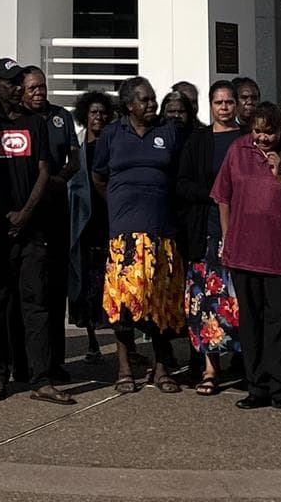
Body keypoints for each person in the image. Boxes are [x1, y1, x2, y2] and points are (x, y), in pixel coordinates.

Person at [0, 59, 74, 405]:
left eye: (21, 82)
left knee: (36, 303)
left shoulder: (36, 122)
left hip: (33, 230)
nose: (18, 88)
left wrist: (25, 214)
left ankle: (41, 378)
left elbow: (44, 170)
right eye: (11, 82)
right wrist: (6, 214)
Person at [214, 102, 281, 414]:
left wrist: (280, 175)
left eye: (268, 132)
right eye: (257, 131)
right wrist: (227, 237)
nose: (262, 138)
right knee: (252, 324)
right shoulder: (238, 150)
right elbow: (223, 197)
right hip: (243, 252)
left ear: (280, 130)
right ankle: (257, 386)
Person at [92, 76, 185, 395]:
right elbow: (98, 176)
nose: (151, 104)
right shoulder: (112, 133)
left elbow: (178, 174)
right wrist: (120, 204)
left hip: (162, 230)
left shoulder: (167, 131)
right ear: (129, 104)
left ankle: (161, 368)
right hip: (124, 235)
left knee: (160, 301)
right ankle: (124, 368)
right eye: (144, 100)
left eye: (153, 99)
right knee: (123, 304)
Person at [175, 80, 243, 395]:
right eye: (219, 102)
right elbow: (183, 184)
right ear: (211, 106)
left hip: (241, 229)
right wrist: (215, 196)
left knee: (238, 299)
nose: (225, 107)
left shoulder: (246, 138)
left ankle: (244, 364)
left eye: (229, 102)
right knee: (205, 301)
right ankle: (210, 368)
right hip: (205, 228)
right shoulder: (198, 140)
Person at [20, 65, 79, 382]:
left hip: (57, 209)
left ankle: (56, 361)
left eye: (42, 86)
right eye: (32, 88)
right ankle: (29, 363)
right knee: (34, 292)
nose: (39, 92)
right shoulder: (18, 120)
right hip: (30, 214)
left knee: (56, 290)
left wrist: (60, 180)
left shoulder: (61, 117)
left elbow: (74, 157)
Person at [68, 91, 114, 364]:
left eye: (102, 112)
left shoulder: (113, 145)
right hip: (85, 224)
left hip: (110, 220)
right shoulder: (78, 149)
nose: (98, 117)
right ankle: (92, 340)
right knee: (86, 283)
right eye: (93, 112)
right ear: (85, 115)